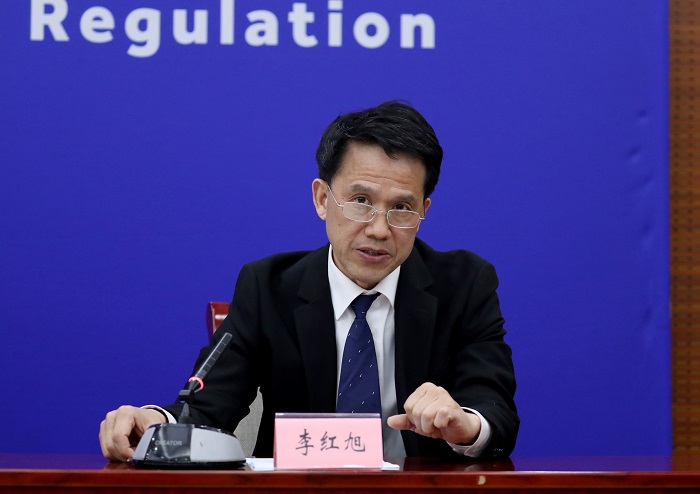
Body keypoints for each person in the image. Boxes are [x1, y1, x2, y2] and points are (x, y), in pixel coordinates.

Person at [99, 101, 518, 461]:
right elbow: (207, 409)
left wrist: (466, 425)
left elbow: (494, 412)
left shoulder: (464, 286)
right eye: (360, 201)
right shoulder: (268, 288)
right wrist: (154, 422)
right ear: (322, 199)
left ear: (423, 210)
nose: (379, 229)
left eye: (402, 208)